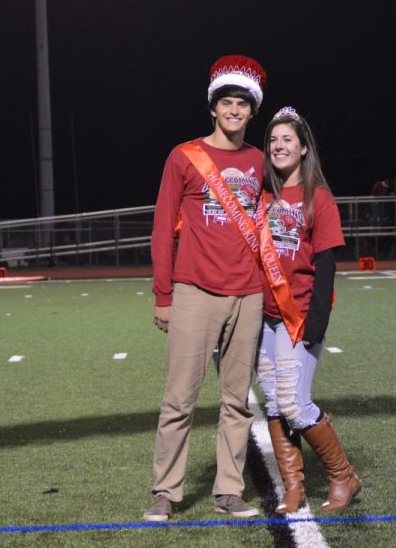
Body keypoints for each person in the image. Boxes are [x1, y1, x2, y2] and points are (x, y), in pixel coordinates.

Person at [143, 55, 267, 523]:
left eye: (242, 104)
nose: (234, 110)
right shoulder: (184, 156)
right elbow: (161, 229)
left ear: (251, 112)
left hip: (249, 292)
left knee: (237, 401)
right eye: (227, 103)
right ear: (213, 108)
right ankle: (165, 492)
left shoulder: (259, 161)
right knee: (179, 399)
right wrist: (163, 295)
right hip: (193, 290)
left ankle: (229, 491)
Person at [255, 106, 360, 514]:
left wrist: (317, 323)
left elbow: (328, 267)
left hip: (297, 316)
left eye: (287, 140)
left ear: (302, 148)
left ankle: (342, 475)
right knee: (274, 403)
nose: (279, 146)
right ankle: (293, 487)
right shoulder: (262, 195)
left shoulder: (319, 198)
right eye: (273, 140)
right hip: (260, 318)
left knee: (295, 403)